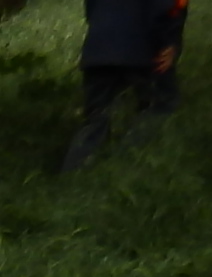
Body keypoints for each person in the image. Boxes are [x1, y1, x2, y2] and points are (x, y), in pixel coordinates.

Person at [64, 0, 187, 168]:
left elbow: (91, 9)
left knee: (95, 119)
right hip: (144, 48)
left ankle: (74, 170)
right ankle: (129, 161)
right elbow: (171, 8)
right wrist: (170, 43)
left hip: (99, 48)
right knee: (160, 105)